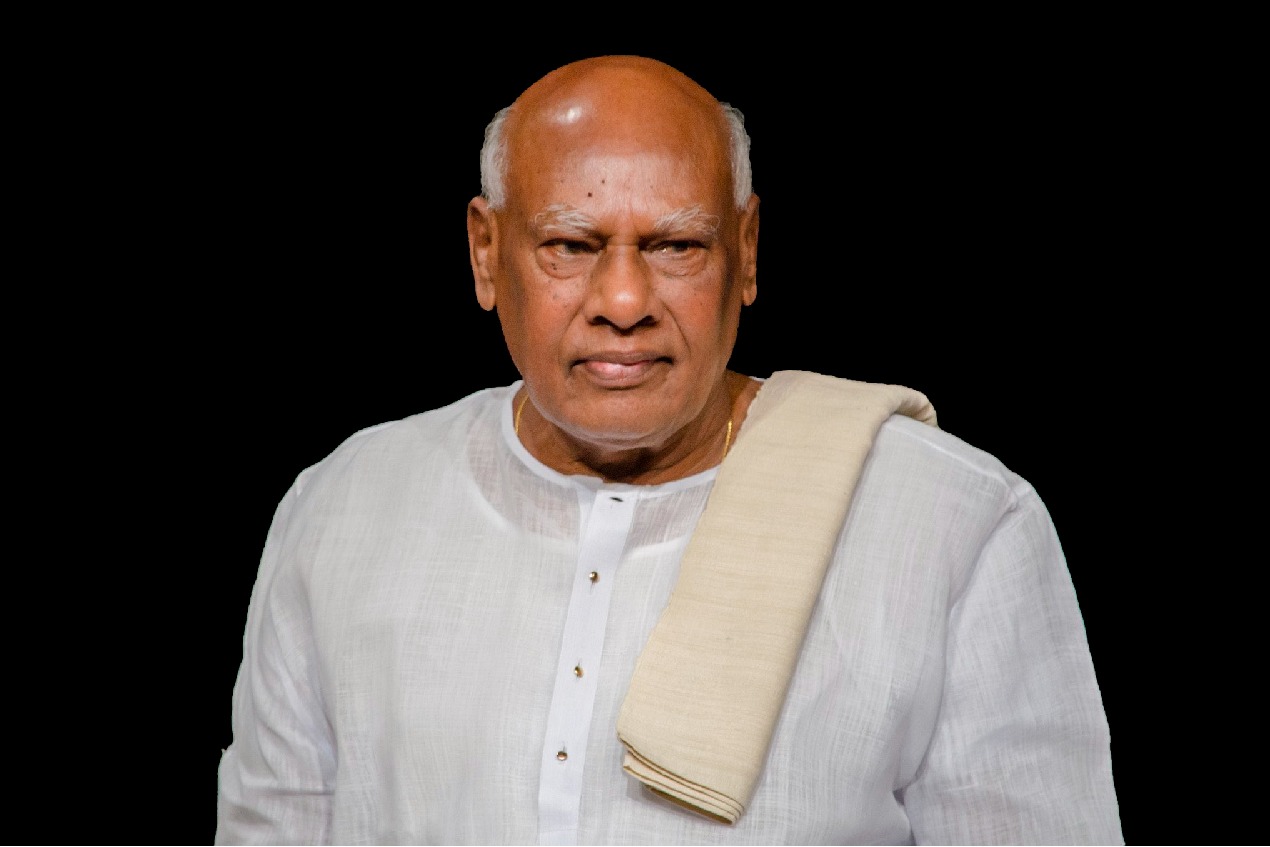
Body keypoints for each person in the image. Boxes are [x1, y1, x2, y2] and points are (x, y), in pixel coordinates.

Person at [215, 55, 1122, 845]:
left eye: (678, 244)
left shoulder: (950, 524)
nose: (623, 300)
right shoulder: (343, 511)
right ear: (486, 254)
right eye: (570, 244)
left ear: (747, 250)